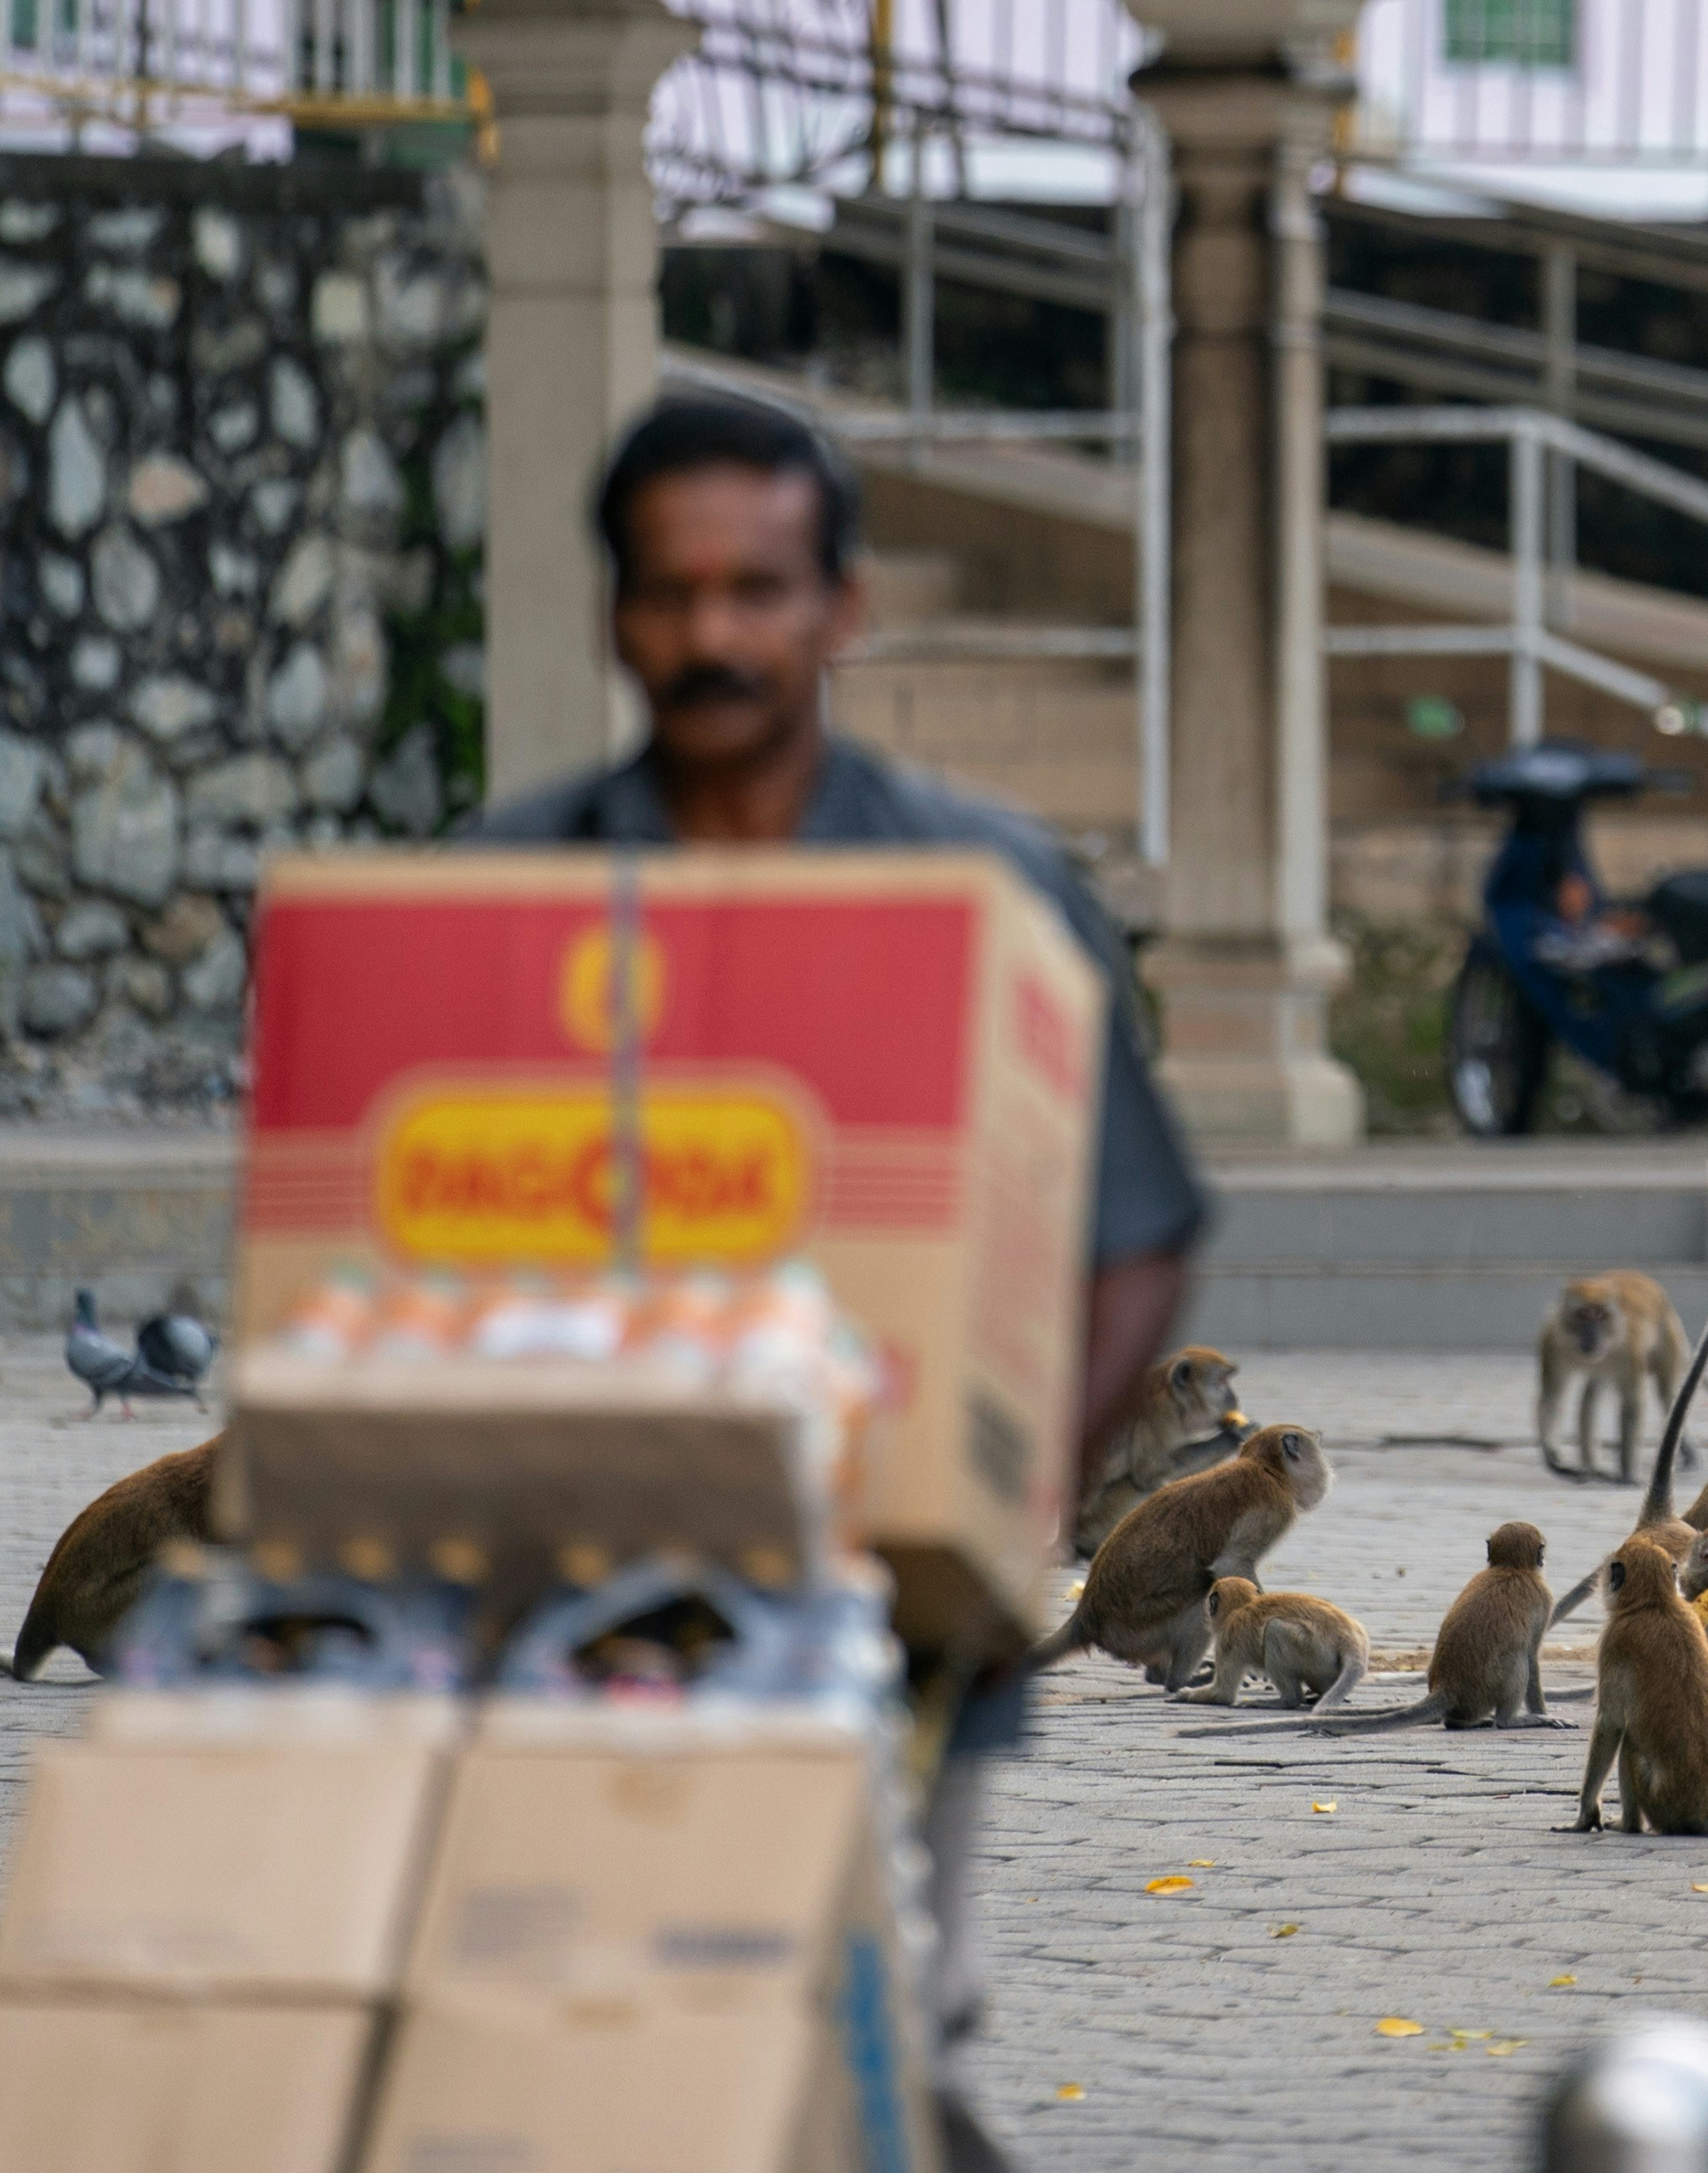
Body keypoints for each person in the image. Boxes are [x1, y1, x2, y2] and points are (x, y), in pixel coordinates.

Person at [459, 390, 1206, 2140]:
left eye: (760, 586)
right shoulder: (510, 890)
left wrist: (1005, 1505)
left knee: (872, 2054)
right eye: (671, 589)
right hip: (565, 1611)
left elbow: (1139, 1226)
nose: (713, 631)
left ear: (841, 607)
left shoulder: (983, 883)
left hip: (892, 1626)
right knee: (580, 2061)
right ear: (613, 614)